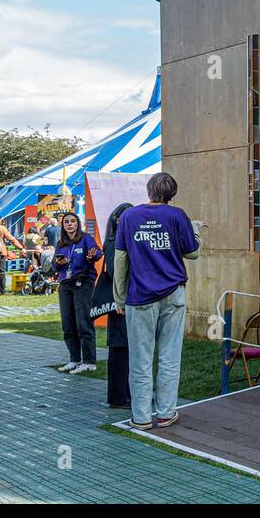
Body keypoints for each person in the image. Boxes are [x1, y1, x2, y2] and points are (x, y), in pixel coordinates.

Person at [114, 173, 201, 431]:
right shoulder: (177, 216)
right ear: (173, 194)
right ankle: (165, 413)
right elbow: (192, 252)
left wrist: (120, 297)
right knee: (169, 356)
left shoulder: (129, 216)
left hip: (139, 295)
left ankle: (141, 417)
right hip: (173, 293)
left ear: (149, 189)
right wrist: (195, 228)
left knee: (140, 359)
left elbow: (120, 259)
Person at [52, 211, 102, 374]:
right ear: (63, 225)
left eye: (72, 221)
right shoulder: (61, 243)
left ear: (77, 223)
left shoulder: (85, 238)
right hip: (65, 284)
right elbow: (54, 266)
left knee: (83, 322)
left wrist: (92, 255)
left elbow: (97, 253)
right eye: (66, 222)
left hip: (83, 283)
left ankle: (89, 361)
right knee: (68, 324)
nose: (69, 224)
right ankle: (75, 359)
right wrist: (60, 263)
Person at [97, 202, 134, 409]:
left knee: (127, 350)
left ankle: (126, 394)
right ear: (117, 220)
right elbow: (114, 271)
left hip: (125, 301)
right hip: (120, 303)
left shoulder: (124, 240)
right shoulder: (113, 242)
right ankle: (118, 397)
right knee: (120, 349)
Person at [0, 208, 24, 295]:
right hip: (0, 252)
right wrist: (21, 248)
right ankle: (2, 291)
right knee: (1, 271)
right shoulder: (1, 228)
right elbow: (11, 239)